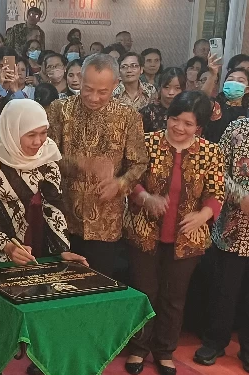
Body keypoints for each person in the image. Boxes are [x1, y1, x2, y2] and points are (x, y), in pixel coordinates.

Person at [0, 99, 87, 374]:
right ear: (12, 130)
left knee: (1, 309)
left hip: (11, 234)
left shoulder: (47, 154)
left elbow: (53, 203)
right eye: (31, 134)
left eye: (43, 132)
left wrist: (62, 247)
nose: (38, 141)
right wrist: (7, 245)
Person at [124, 91, 224, 375]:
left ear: (199, 127)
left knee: (174, 297)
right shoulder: (148, 143)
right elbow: (131, 180)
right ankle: (139, 348)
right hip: (144, 234)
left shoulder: (210, 151)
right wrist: (146, 198)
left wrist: (203, 215)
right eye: (175, 119)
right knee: (145, 293)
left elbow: (217, 192)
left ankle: (165, 350)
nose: (179, 128)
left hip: (187, 239)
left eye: (188, 124)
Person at [47, 53, 149, 277]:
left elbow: (139, 163)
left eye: (102, 92)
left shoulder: (128, 117)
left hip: (106, 222)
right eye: (87, 88)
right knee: (61, 287)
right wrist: (82, 164)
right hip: (62, 217)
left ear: (115, 85)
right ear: (79, 79)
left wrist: (119, 184)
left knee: (99, 288)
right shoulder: (59, 110)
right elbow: (46, 158)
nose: (93, 97)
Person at [193, 116, 249, 371]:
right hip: (232, 230)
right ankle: (215, 341)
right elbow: (217, 170)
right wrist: (241, 196)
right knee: (224, 289)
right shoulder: (237, 128)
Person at [206, 68, 249, 143]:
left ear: (247, 89)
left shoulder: (247, 113)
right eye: (230, 80)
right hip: (208, 151)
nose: (234, 83)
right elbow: (203, 98)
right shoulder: (215, 105)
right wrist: (213, 74)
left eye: (240, 81)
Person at [140, 67, 186, 132]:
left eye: (177, 88)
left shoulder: (189, 111)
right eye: (166, 87)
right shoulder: (148, 112)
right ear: (159, 88)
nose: (171, 92)